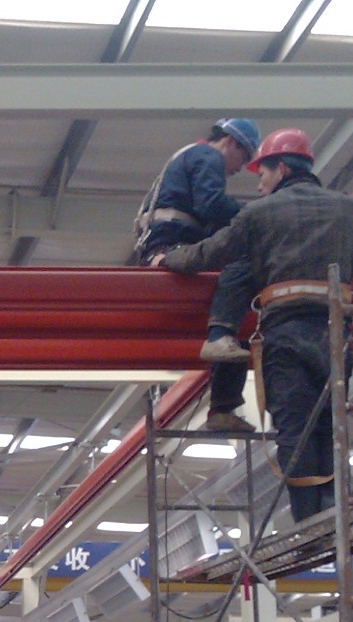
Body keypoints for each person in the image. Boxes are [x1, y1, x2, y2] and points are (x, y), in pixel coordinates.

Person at [160, 128, 353, 522]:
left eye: (263, 174)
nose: (258, 185)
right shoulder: (348, 208)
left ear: (282, 168)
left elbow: (213, 252)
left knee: (295, 427)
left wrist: (170, 259)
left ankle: (310, 522)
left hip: (286, 330)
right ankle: (337, 513)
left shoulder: (261, 212)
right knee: (331, 423)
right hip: (337, 330)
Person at [136, 117, 263, 432]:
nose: (239, 168)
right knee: (242, 279)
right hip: (174, 248)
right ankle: (223, 401)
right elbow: (212, 206)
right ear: (231, 142)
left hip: (168, 245)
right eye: (243, 157)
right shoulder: (207, 156)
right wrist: (256, 217)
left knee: (233, 318)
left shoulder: (189, 157)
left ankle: (223, 403)